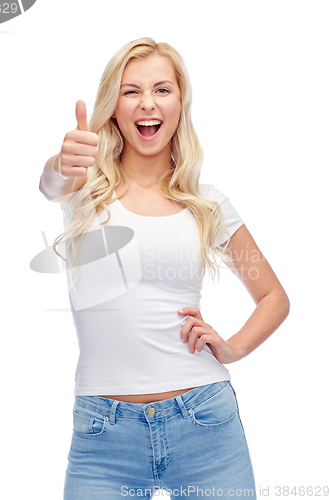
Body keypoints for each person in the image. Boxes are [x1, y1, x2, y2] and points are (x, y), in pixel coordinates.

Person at [39, 38, 290, 500]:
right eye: (131, 91)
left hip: (205, 423)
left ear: (179, 103)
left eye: (161, 89)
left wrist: (232, 348)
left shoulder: (208, 204)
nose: (147, 103)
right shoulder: (85, 189)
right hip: (103, 436)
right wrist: (61, 163)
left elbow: (274, 298)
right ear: (113, 107)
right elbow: (52, 182)